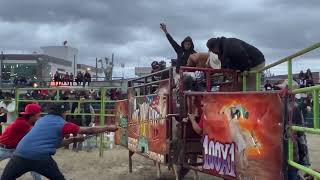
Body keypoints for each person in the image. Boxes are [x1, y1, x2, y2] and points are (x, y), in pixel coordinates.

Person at [1, 103, 118, 180]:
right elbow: (89, 129)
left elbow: (51, 144)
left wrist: (73, 139)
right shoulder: (62, 124)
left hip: (19, 155)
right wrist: (109, 128)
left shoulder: (40, 121)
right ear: (63, 113)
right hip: (41, 158)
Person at [0, 104, 43, 180]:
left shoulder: (28, 122)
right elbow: (37, 134)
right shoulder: (22, 123)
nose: (39, 117)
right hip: (3, 148)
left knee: (33, 164)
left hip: (16, 150)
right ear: (31, 115)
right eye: (38, 115)